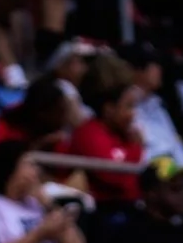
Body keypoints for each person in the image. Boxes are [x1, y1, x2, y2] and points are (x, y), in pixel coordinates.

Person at [61, 74, 146, 207]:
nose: (133, 113)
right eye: (128, 107)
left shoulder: (124, 134)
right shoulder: (88, 133)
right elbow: (112, 177)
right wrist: (136, 147)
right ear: (109, 109)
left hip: (131, 205)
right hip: (104, 210)